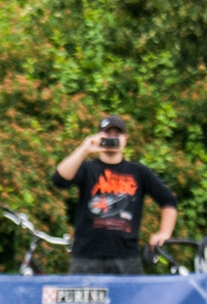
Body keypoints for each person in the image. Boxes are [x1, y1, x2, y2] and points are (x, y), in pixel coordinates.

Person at [52, 115, 177, 275]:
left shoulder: (138, 171)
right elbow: (59, 179)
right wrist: (84, 150)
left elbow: (168, 200)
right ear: (98, 137)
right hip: (86, 257)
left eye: (116, 134)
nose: (112, 138)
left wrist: (164, 233)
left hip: (126, 258)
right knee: (82, 301)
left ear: (125, 139)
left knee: (130, 301)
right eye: (107, 133)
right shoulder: (86, 168)